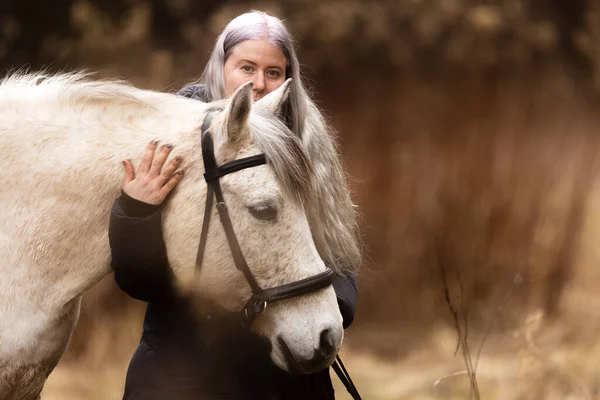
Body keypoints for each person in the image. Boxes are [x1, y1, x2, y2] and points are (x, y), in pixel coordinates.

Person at [109, 10, 359, 400]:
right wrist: (136, 212)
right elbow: (139, 280)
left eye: (273, 72)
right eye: (247, 67)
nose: (259, 84)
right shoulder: (173, 143)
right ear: (220, 67)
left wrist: (320, 307)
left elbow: (340, 254)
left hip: (281, 371)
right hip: (182, 370)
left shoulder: (308, 145)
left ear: (288, 78)